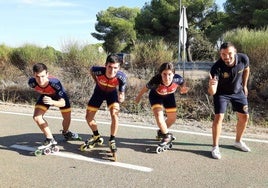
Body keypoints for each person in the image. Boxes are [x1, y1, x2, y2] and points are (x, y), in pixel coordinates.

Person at [208, 42, 251, 159]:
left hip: (238, 92)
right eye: (223, 54)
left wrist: (245, 85)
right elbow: (213, 92)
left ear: (235, 52)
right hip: (221, 94)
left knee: (245, 117)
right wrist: (211, 86)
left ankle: (238, 141)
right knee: (219, 117)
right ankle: (215, 147)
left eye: (229, 53)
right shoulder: (216, 67)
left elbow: (247, 69)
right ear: (220, 54)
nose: (226, 57)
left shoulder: (243, 58)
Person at [135, 62, 189, 146]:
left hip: (169, 96)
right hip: (156, 97)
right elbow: (145, 88)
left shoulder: (178, 79)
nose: (167, 78)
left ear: (173, 74)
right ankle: (167, 135)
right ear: (160, 74)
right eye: (164, 74)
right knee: (159, 116)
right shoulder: (156, 80)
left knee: (172, 119)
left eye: (169, 74)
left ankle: (161, 131)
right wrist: (138, 97)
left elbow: (183, 83)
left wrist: (183, 89)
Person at [28, 63, 79, 149]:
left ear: (47, 74)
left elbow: (63, 103)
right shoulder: (31, 82)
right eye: (37, 77)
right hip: (45, 96)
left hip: (59, 98)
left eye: (43, 76)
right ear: (34, 75)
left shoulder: (55, 83)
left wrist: (52, 102)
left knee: (67, 118)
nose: (40, 80)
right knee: (37, 117)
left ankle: (66, 132)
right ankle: (50, 138)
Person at [83, 54, 127, 153]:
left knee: (115, 115)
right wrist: (96, 81)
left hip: (112, 94)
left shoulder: (122, 77)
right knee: (88, 118)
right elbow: (91, 70)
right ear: (105, 65)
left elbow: (122, 93)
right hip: (98, 92)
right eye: (109, 67)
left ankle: (112, 139)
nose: (112, 71)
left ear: (119, 67)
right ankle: (96, 135)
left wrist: (121, 96)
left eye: (115, 68)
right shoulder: (97, 70)